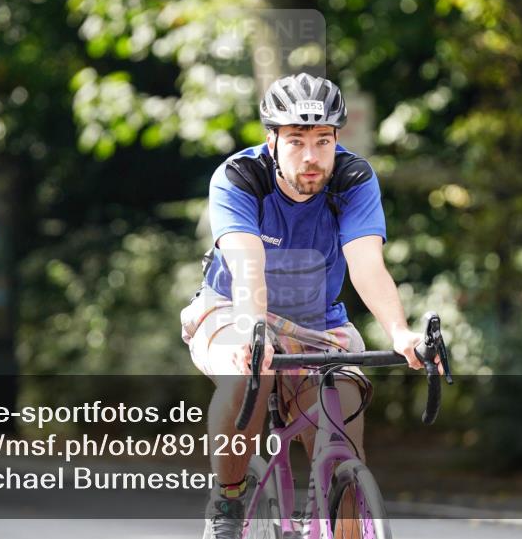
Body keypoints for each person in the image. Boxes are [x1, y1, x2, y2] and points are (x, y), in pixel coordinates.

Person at [180, 73, 443, 539]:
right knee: (248, 376)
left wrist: (400, 333)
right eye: (296, 141)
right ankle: (228, 499)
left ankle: (335, 502)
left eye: (323, 141)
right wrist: (252, 332)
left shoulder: (353, 178)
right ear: (272, 141)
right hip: (233, 307)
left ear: (336, 139)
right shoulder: (240, 177)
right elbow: (247, 265)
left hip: (318, 321)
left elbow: (366, 264)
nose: (310, 156)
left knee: (343, 423)